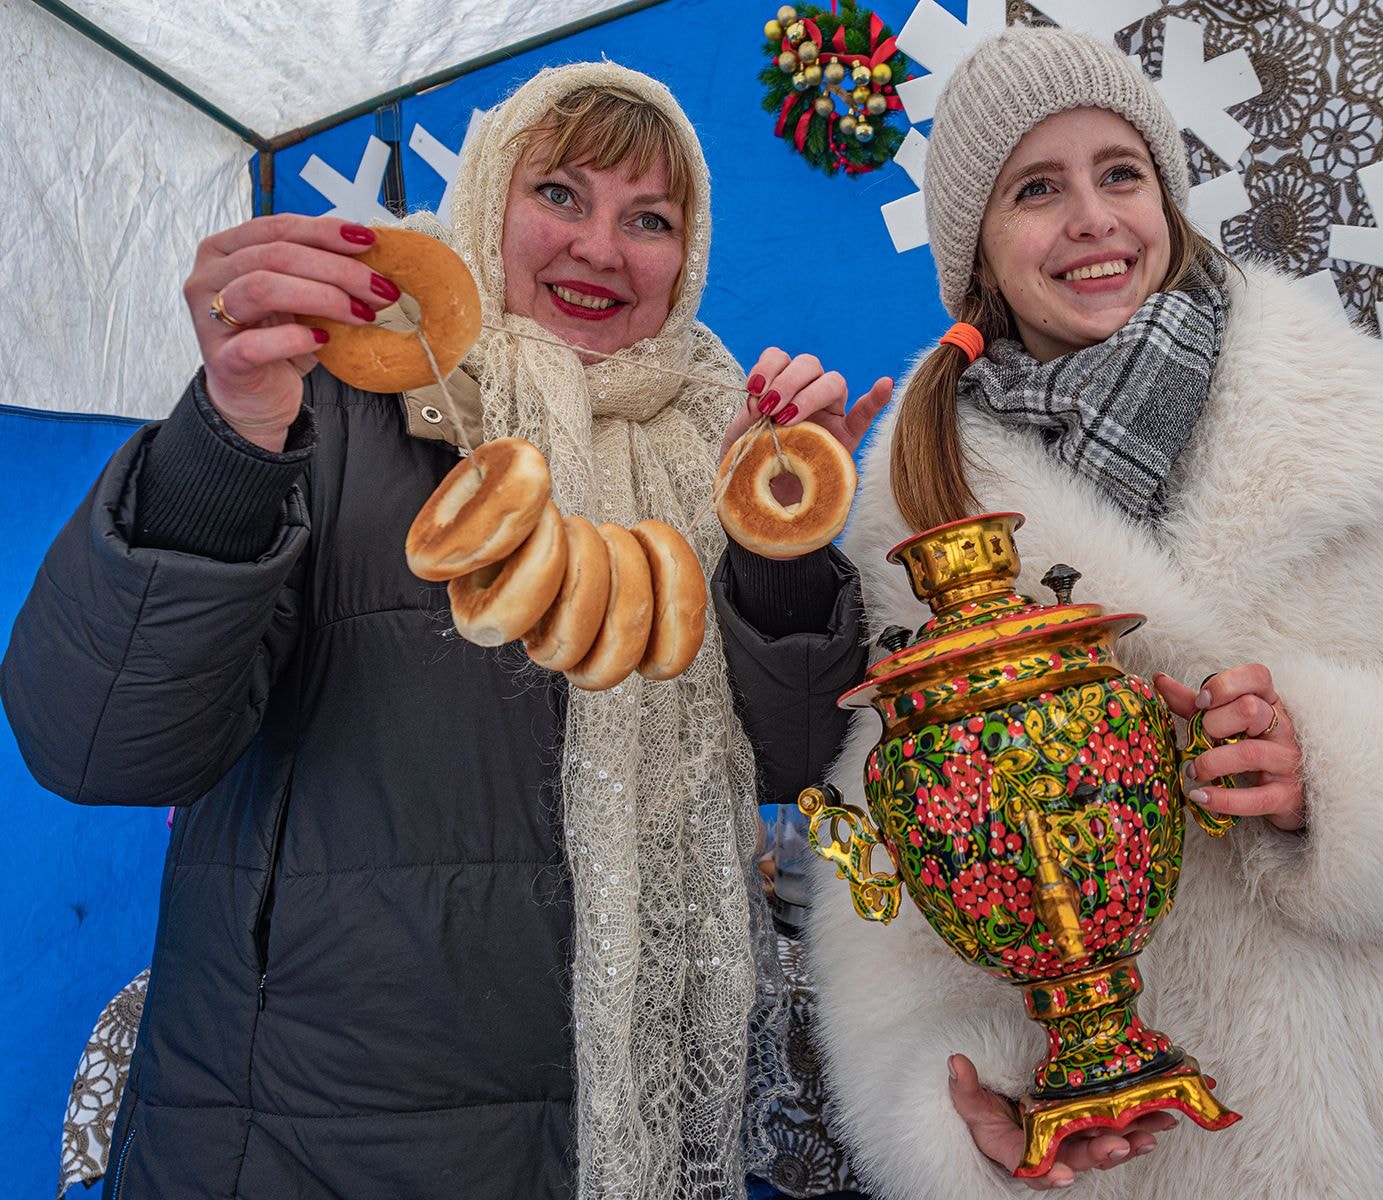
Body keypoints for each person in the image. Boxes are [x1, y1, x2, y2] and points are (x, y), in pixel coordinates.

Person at [720, 26, 1383, 1199]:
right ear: (978, 256)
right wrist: (970, 1107)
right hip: (1147, 1166)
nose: (1094, 217)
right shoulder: (917, 502)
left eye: (1121, 172)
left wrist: (1343, 773)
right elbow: (889, 875)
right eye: (1036, 189)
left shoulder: (1364, 410)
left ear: (1168, 194)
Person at [1, 61, 878, 1200]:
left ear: (690, 254)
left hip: (611, 1145)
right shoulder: (325, 400)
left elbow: (798, 756)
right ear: (483, 204)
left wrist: (781, 554)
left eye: (649, 218)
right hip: (310, 1138)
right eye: (559, 194)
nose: (603, 248)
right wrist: (226, 440)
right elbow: (101, 740)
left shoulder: (713, 441)